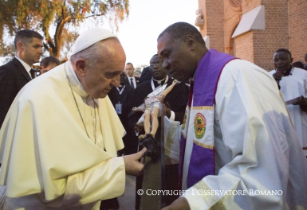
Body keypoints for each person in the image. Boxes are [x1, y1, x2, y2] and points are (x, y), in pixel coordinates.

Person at [0, 28, 146, 210]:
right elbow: (50, 191)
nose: (117, 83)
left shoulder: (94, 90)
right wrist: (120, 168)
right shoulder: (40, 97)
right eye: (110, 74)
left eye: (119, 74)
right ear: (81, 67)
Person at [157, 22, 307, 210]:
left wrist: (192, 203)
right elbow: (197, 142)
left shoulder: (238, 76)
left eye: (167, 54)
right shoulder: (199, 83)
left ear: (190, 42)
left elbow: (260, 171)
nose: (165, 65)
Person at [128, 54, 189, 209]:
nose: (154, 67)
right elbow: (131, 115)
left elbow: (188, 117)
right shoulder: (141, 88)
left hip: (171, 148)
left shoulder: (180, 88)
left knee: (170, 186)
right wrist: (138, 126)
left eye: (158, 63)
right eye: (152, 64)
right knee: (146, 187)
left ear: (166, 64)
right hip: (148, 147)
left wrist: (170, 114)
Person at [0, 29, 43, 199]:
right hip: (7, 154)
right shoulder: (6, 73)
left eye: (41, 47)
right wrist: (3, 156)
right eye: (36, 46)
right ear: (20, 46)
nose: (41, 51)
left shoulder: (29, 75)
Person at [270, 49, 307, 157]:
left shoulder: (304, 75)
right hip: (277, 121)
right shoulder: (268, 77)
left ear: (291, 60)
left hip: (300, 119)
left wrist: (304, 101)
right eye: (276, 60)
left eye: (283, 59)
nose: (280, 62)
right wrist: (272, 83)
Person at [108, 71, 135, 155]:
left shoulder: (131, 90)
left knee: (127, 140)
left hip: (126, 120)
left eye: (124, 76)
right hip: (114, 119)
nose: (122, 77)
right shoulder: (109, 90)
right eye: (120, 76)